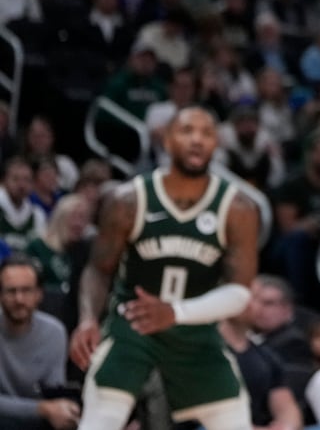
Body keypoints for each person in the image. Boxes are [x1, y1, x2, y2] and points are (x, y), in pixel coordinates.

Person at [69, 106, 260, 430]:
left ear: (217, 144)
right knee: (99, 422)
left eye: (207, 133)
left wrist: (175, 312)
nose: (197, 140)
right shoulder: (127, 199)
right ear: (167, 141)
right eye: (187, 131)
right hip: (133, 327)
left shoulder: (238, 208)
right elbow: (99, 269)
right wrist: (88, 318)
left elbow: (240, 293)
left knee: (236, 420)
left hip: (196, 333)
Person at [0, 257, 75, 430]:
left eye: (26, 290)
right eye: (11, 291)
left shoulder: (54, 333)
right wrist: (41, 409)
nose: (19, 299)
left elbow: (54, 394)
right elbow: (48, 407)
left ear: (39, 294)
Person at [218, 312, 303, 430]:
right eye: (252, 296)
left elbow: (286, 407)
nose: (257, 307)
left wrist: (286, 427)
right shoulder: (205, 350)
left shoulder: (266, 356)